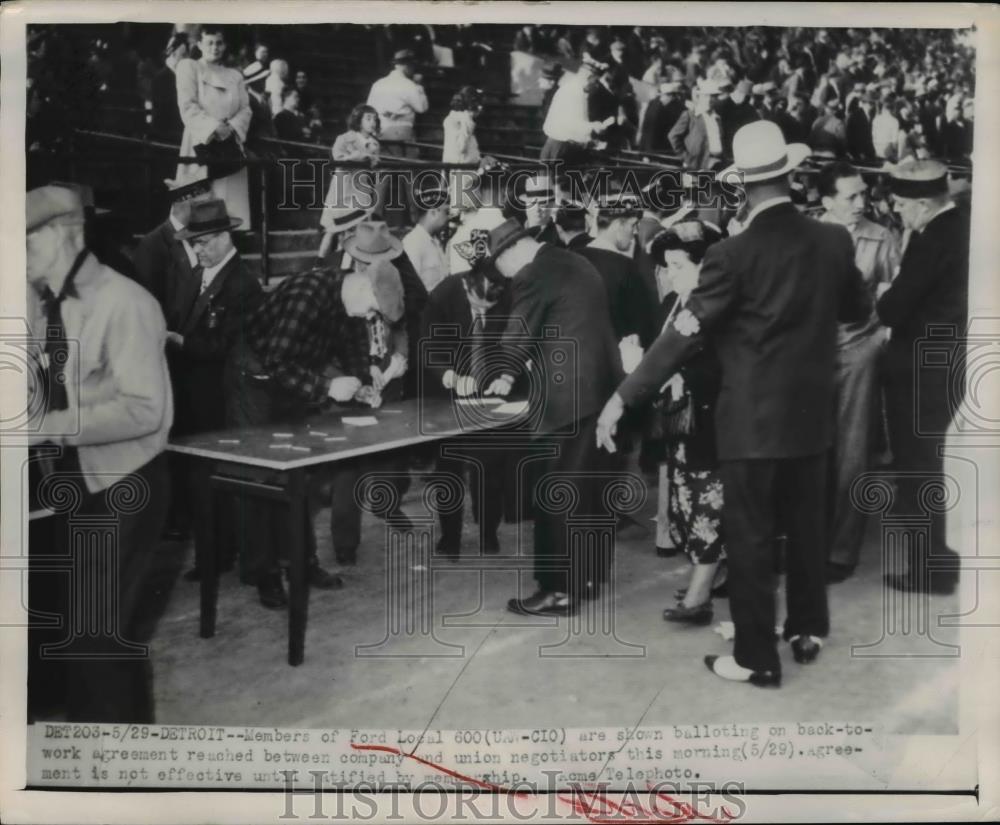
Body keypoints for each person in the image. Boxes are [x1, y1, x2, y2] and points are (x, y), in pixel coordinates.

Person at [596, 121, 870, 686]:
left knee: (748, 535)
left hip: (749, 421)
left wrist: (625, 395)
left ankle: (755, 658)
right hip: (811, 415)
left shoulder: (730, 255)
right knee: (806, 525)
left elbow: (683, 335)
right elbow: (855, 311)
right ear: (790, 175)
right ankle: (806, 628)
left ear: (741, 187)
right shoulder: (834, 241)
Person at [26, 185, 173, 721]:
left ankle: (113, 777)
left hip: (125, 484)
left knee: (97, 636)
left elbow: (144, 411)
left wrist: (49, 426)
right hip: (83, 480)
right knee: (85, 632)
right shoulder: (53, 303)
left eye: (24, 244)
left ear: (64, 235)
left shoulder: (124, 302)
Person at [228, 222, 413, 607]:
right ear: (362, 285)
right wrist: (326, 387)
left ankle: (302, 562)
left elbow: (353, 354)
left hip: (290, 379)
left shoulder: (350, 305)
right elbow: (277, 361)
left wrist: (364, 386)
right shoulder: (308, 294)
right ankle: (263, 573)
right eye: (373, 311)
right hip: (254, 381)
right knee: (265, 477)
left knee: (300, 476)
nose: (371, 320)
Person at [483, 219, 624, 616]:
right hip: (601, 391)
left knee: (555, 495)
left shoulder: (532, 273)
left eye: (502, 270)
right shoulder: (572, 261)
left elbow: (518, 331)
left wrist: (498, 374)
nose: (506, 279)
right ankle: (590, 578)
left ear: (510, 255)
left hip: (566, 400)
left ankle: (557, 591)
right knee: (591, 493)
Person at [876, 160, 968, 595]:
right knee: (942, 467)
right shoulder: (964, 226)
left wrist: (883, 294)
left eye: (901, 204)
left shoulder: (931, 240)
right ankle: (945, 562)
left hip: (918, 372)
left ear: (924, 203)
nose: (897, 212)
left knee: (917, 471)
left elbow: (894, 308)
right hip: (951, 363)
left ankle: (928, 570)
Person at [167, 199, 264, 581]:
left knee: (218, 482)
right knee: (199, 483)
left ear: (225, 237)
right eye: (195, 243)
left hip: (221, 401)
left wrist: (177, 341)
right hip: (192, 398)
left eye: (204, 242)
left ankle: (225, 554)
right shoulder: (196, 276)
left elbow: (226, 347)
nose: (199, 250)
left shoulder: (243, 285)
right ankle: (214, 553)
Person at [817, 162, 901, 583]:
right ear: (826, 200)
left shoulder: (881, 237)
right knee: (807, 449)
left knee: (852, 452)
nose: (859, 203)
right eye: (849, 196)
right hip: (807, 354)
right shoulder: (806, 235)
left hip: (857, 352)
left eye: (862, 194)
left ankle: (840, 550)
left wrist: (879, 340)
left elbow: (895, 294)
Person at [646, 222, 727, 625]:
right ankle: (712, 577)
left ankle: (698, 599)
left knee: (704, 507)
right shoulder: (674, 305)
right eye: (666, 267)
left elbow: (725, 367)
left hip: (712, 424)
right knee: (685, 503)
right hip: (681, 426)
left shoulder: (719, 308)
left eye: (678, 265)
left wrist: (681, 375)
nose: (670, 274)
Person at [420, 234, 518, 557]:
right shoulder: (443, 294)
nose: (482, 313)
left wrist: (506, 374)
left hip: (487, 395)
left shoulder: (506, 295)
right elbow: (428, 345)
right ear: (466, 287)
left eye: (488, 308)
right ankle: (449, 539)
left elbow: (515, 339)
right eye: (477, 306)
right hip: (449, 393)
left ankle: (489, 532)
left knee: (489, 467)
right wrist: (449, 375)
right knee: (448, 468)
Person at [173, 25, 252, 225]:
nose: (214, 47)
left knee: (231, 208)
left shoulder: (235, 76)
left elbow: (246, 109)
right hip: (200, 141)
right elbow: (187, 105)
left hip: (229, 144)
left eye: (219, 43)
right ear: (199, 44)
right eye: (209, 42)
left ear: (225, 46)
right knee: (198, 209)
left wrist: (231, 127)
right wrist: (213, 127)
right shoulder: (189, 67)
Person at [578, 193, 657, 347]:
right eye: (632, 225)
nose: (635, 232)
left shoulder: (572, 257)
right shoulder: (626, 268)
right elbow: (643, 326)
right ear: (618, 225)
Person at [318, 104, 382, 261]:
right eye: (368, 118)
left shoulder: (374, 144)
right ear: (358, 120)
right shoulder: (345, 138)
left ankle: (348, 264)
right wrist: (355, 157)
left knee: (359, 228)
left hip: (361, 189)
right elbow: (337, 159)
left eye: (374, 119)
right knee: (333, 229)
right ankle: (318, 263)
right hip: (343, 188)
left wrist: (372, 163)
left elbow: (374, 167)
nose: (372, 122)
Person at [540, 55, 605, 167]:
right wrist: (594, 126)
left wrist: (590, 139)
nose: (596, 85)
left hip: (559, 146)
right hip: (561, 147)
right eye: (595, 81)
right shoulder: (574, 92)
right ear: (588, 77)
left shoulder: (574, 89)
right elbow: (572, 124)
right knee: (558, 183)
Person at [366, 49, 429, 155]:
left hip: (378, 132)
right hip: (401, 132)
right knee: (404, 167)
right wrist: (419, 86)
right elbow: (422, 108)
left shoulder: (378, 84)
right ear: (407, 66)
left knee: (385, 166)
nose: (413, 69)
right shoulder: (409, 85)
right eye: (412, 65)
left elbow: (368, 110)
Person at [668, 79, 725, 172]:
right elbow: (673, 136)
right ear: (700, 97)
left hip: (717, 163)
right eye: (706, 96)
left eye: (713, 96)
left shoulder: (717, 118)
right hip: (698, 165)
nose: (709, 99)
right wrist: (687, 158)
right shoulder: (690, 115)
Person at [403, 184, 450, 293]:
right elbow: (410, 288)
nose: (448, 218)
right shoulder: (413, 243)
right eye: (446, 212)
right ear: (434, 212)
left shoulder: (435, 242)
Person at [638, 81, 685, 154]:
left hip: (649, 149)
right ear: (671, 96)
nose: (678, 99)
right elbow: (651, 131)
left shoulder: (653, 103)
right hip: (656, 150)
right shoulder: (661, 109)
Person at [442, 86, 483, 165]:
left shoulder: (451, 117)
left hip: (450, 162)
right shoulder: (466, 120)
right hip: (463, 166)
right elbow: (461, 147)